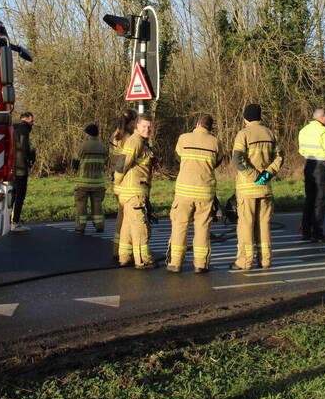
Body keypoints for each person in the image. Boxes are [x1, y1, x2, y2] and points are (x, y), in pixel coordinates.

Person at [166, 114, 225, 273]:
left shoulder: (183, 138)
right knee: (202, 228)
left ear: (197, 124)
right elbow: (217, 162)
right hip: (205, 192)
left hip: (184, 191)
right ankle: (201, 264)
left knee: (179, 226)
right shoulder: (216, 142)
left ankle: (175, 263)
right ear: (210, 128)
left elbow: (178, 157)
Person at [231, 103, 284, 270]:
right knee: (264, 226)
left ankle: (245, 261)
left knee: (246, 226)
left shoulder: (243, 134)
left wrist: (255, 177)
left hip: (248, 189)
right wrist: (266, 176)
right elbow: (280, 158)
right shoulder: (270, 133)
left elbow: (238, 160)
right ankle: (266, 260)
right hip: (265, 188)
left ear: (246, 117)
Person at [115, 113, 156, 269]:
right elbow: (122, 164)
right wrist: (117, 183)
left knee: (127, 225)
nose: (147, 129)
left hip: (131, 191)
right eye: (144, 126)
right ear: (137, 126)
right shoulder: (136, 141)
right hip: (134, 192)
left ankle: (124, 256)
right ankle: (143, 260)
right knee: (140, 227)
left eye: (149, 126)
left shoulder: (141, 142)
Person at [297, 108, 325, 243]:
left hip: (309, 165)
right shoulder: (323, 131)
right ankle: (317, 233)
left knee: (310, 199)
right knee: (320, 200)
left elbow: (301, 150)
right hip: (321, 167)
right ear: (322, 117)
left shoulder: (304, 130)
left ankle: (306, 231)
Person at [109, 109, 138, 261]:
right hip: (126, 179)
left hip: (115, 178)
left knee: (122, 214)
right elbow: (128, 159)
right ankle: (127, 252)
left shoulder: (115, 135)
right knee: (129, 217)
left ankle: (117, 249)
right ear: (132, 122)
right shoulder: (129, 138)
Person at [73, 124, 109, 233]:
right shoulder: (103, 147)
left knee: (81, 205)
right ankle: (99, 226)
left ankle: (80, 227)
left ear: (88, 134)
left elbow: (75, 162)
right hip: (98, 182)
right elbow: (106, 162)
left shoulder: (82, 146)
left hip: (83, 183)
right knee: (98, 205)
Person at [10, 111, 36, 233]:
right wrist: (31, 157)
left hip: (11, 168)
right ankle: (15, 222)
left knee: (12, 195)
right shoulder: (24, 130)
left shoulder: (12, 128)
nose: (33, 124)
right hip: (21, 168)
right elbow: (25, 148)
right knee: (20, 195)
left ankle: (8, 221)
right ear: (26, 120)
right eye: (32, 121)